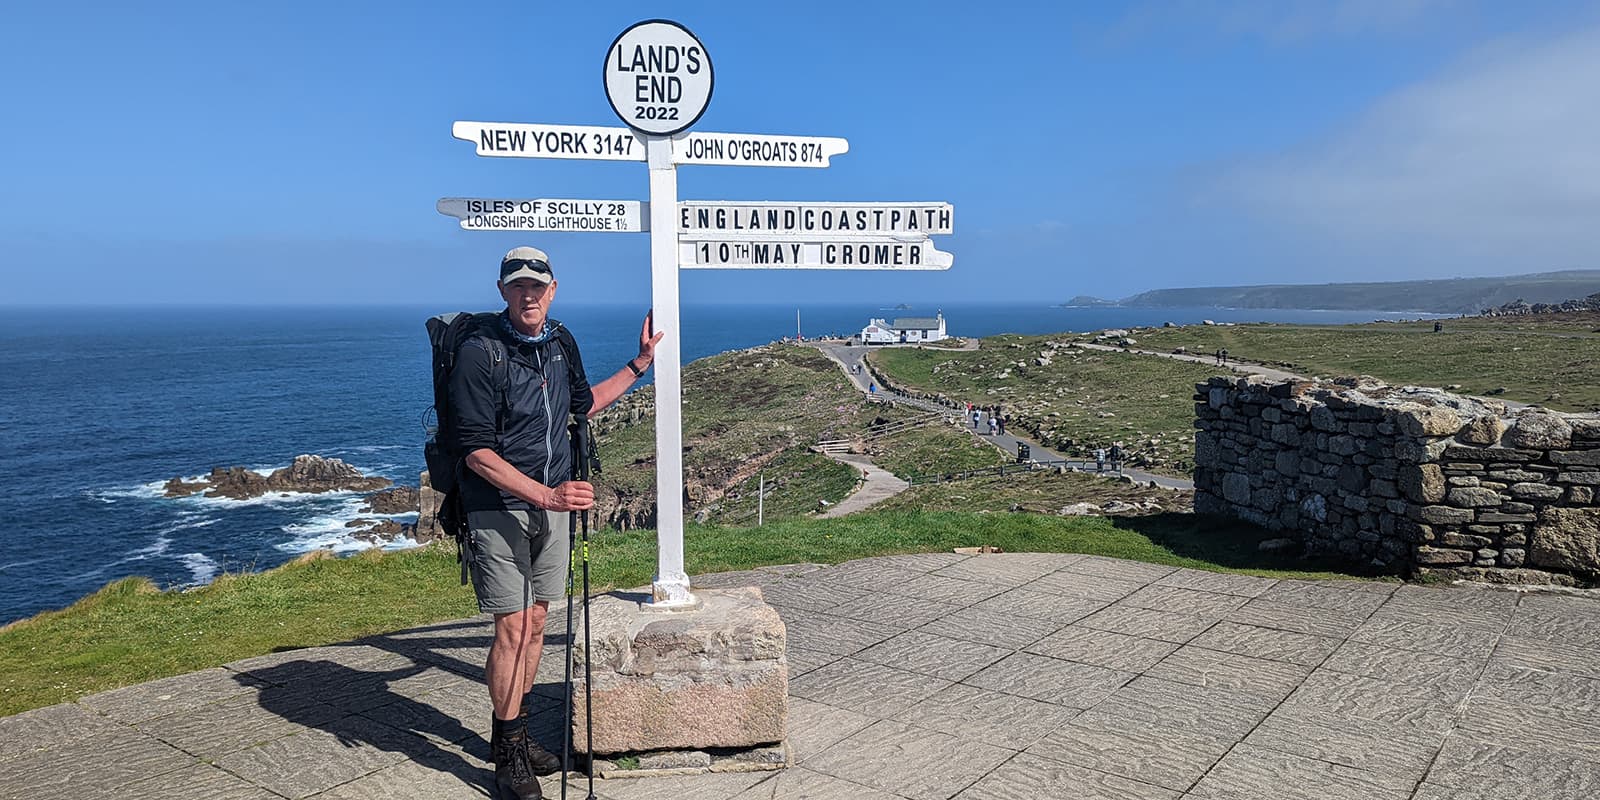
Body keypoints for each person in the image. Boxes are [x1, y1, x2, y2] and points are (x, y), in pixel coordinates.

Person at [451, 246, 663, 800]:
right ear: (502, 291)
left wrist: (639, 365)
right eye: (517, 286)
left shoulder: (559, 343)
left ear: (553, 290)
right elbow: (475, 453)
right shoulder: (480, 353)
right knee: (513, 627)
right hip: (499, 506)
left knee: (539, 622)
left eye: (537, 287)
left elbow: (581, 405)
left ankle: (514, 733)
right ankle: (508, 752)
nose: (529, 295)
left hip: (553, 504)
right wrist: (546, 495)